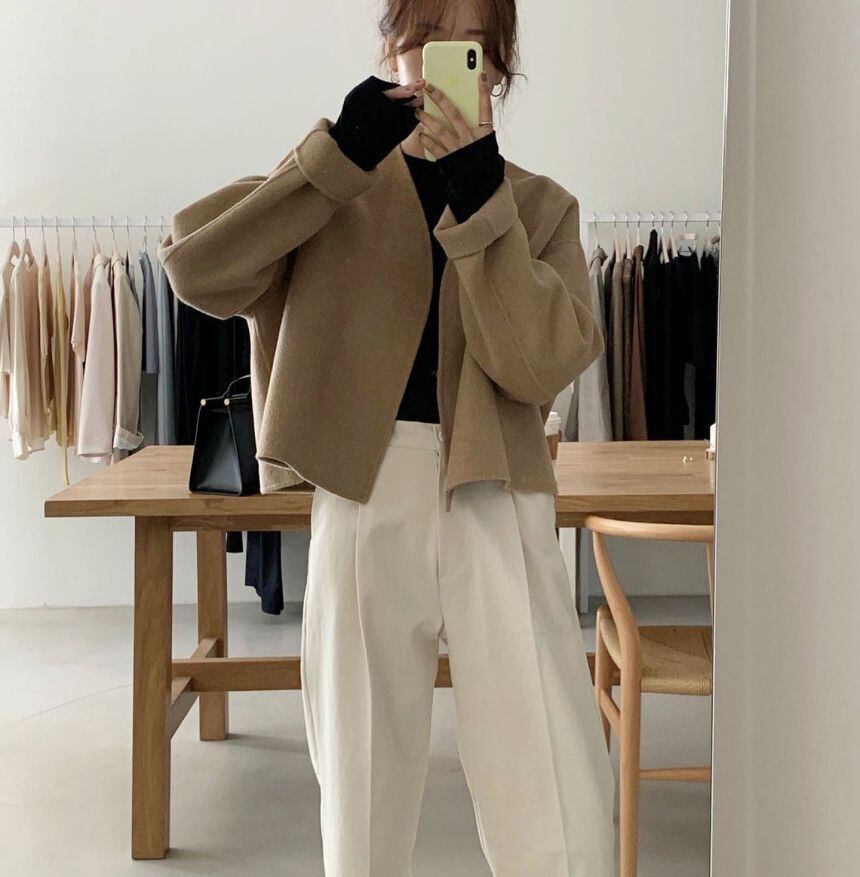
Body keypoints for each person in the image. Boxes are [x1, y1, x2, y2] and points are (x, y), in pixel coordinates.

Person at [159, 1, 616, 873]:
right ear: (389, 51)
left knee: (550, 770)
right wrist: (332, 158)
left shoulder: (539, 207)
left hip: (497, 487)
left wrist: (481, 200)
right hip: (362, 484)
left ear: (499, 68)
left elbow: (536, 365)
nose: (443, 60)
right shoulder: (337, 186)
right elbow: (195, 266)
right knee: (362, 782)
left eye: (470, 45)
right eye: (424, 38)